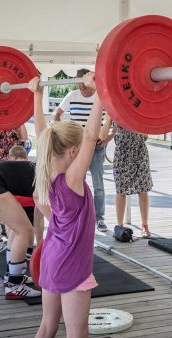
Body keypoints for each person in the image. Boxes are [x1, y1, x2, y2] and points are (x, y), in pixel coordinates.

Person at [30, 72, 103, 338]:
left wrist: (36, 95)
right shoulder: (72, 182)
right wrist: (100, 94)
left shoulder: (47, 174)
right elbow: (91, 136)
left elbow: (43, 134)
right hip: (72, 265)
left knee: (47, 327)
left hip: (50, 258)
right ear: (73, 152)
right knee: (77, 336)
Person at [0, 158, 41, 299]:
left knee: (19, 230)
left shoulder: (47, 169)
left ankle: (12, 277)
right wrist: (42, 246)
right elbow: (41, 216)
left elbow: (39, 215)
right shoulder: (52, 177)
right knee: (24, 231)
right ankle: (14, 285)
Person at [53, 69, 110, 232]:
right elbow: (56, 114)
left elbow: (110, 117)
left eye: (83, 83)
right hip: (76, 148)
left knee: (98, 184)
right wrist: (60, 131)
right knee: (77, 183)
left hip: (96, 147)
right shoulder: (71, 96)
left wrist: (106, 135)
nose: (80, 86)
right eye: (78, 83)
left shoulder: (101, 97)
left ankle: (99, 218)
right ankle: (80, 216)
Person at [103, 119, 153, 238]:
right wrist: (110, 130)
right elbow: (104, 133)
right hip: (122, 152)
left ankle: (145, 225)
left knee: (143, 189)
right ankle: (120, 226)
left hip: (139, 151)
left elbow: (146, 136)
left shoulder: (137, 112)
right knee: (121, 190)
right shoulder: (113, 111)